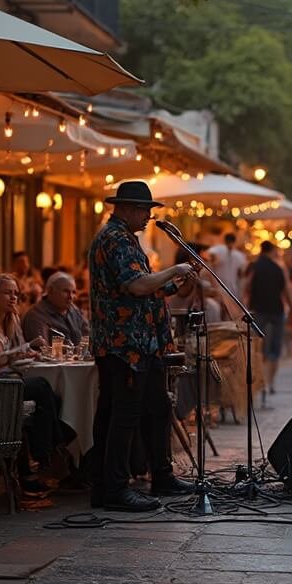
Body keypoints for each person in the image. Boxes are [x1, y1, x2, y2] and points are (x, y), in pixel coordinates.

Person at [87, 181, 198, 513]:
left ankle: (161, 474)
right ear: (127, 208)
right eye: (145, 210)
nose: (149, 216)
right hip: (125, 346)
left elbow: (145, 289)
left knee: (156, 408)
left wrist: (178, 286)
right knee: (123, 416)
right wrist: (173, 270)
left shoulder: (126, 240)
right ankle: (114, 489)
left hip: (140, 344)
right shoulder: (116, 239)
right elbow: (136, 285)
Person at [0, 273, 66, 493]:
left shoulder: (11, 321)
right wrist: (22, 352)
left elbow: (17, 355)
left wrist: (30, 354)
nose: (13, 297)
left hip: (10, 381)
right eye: (7, 293)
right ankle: (47, 455)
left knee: (56, 397)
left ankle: (39, 459)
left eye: (16, 293)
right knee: (42, 387)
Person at [245, 240, 292, 393]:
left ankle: (260, 382)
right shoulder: (278, 268)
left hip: (258, 310)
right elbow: (286, 290)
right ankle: (271, 381)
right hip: (276, 310)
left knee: (257, 347)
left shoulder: (254, 266)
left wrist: (244, 305)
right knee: (275, 347)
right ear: (272, 250)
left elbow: (246, 286)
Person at [22, 271, 90, 346]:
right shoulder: (36, 315)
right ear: (50, 291)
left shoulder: (74, 310)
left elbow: (88, 336)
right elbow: (42, 351)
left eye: (73, 292)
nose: (71, 297)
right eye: (66, 291)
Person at [207, 233, 247, 300]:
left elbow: (241, 271)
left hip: (230, 287)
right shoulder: (218, 250)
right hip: (221, 286)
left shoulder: (238, 255)